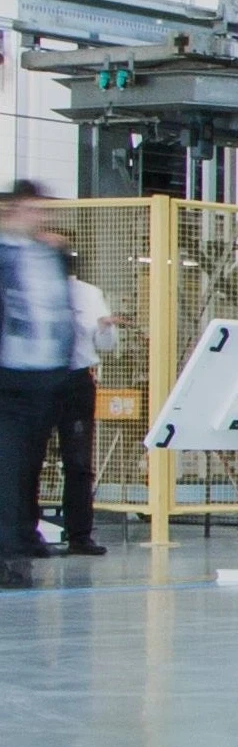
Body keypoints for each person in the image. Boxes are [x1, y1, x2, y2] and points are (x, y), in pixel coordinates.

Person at [0, 181, 95, 583]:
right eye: (34, 210)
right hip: (8, 379)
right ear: (13, 209)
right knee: (9, 466)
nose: (43, 218)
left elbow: (60, 313)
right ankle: (9, 554)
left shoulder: (51, 255)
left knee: (28, 468)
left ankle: (21, 542)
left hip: (47, 379)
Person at [39, 224, 114, 556]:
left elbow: (107, 345)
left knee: (78, 460)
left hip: (75, 381)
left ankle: (80, 535)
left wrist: (104, 329)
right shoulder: (31, 290)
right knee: (29, 459)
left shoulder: (88, 293)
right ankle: (26, 533)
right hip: (37, 380)